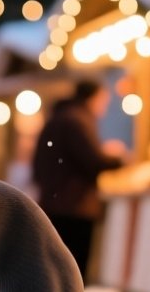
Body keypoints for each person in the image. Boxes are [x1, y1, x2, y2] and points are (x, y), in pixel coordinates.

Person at [32, 78, 125, 281]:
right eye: (103, 100)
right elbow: (93, 160)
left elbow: (38, 165)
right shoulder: (77, 121)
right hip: (74, 205)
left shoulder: (59, 117)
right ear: (92, 98)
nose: (104, 106)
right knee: (72, 269)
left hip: (55, 201)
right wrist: (118, 158)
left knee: (55, 264)